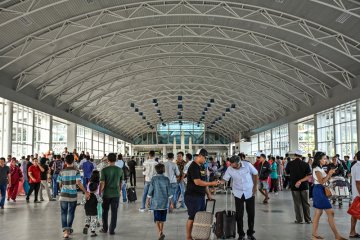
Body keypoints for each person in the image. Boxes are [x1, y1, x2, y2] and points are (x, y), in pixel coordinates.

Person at [184, 148, 219, 240]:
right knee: (192, 217)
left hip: (200, 196)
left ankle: (198, 235)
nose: (206, 160)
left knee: (200, 217)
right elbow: (198, 182)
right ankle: (188, 237)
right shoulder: (193, 167)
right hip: (192, 196)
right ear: (200, 156)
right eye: (205, 158)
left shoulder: (202, 167)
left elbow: (204, 182)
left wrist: (208, 194)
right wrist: (212, 184)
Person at [312, 151, 347, 240]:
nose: (326, 160)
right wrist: (329, 174)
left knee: (318, 213)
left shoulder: (319, 168)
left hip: (320, 190)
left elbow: (324, 179)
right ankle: (337, 236)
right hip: (319, 190)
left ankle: (314, 235)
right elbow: (321, 181)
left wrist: (332, 175)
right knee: (330, 212)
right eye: (324, 158)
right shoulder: (316, 169)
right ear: (319, 160)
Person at [221, 155, 258, 240]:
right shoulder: (230, 168)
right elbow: (225, 179)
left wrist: (255, 187)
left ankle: (250, 233)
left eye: (235, 166)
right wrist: (219, 182)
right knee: (239, 215)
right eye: (232, 165)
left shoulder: (247, 165)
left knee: (251, 214)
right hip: (238, 193)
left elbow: (255, 173)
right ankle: (241, 234)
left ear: (239, 163)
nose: (234, 167)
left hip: (249, 192)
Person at [57, 154, 89, 238]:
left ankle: (65, 231)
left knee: (63, 212)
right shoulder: (76, 171)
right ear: (73, 161)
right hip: (73, 196)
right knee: (71, 212)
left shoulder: (61, 172)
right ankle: (69, 229)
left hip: (63, 195)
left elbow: (59, 184)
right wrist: (85, 191)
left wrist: (63, 188)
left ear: (65, 161)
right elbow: (78, 183)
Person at [146, 163, 174, 240]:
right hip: (164, 203)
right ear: (163, 170)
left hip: (156, 203)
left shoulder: (154, 179)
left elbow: (150, 190)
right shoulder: (166, 179)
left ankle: (159, 232)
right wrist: (171, 202)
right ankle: (161, 231)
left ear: (156, 170)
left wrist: (147, 200)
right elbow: (170, 192)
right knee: (162, 220)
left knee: (157, 219)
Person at [285, 150, 312, 224]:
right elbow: (309, 176)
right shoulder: (306, 164)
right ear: (301, 156)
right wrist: (301, 180)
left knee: (297, 203)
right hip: (304, 186)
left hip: (294, 186)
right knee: (306, 203)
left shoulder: (290, 164)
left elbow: (286, 173)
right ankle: (308, 219)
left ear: (295, 155)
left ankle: (299, 220)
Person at [100, 153, 123, 235]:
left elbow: (102, 183)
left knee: (105, 211)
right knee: (114, 212)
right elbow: (121, 183)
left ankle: (105, 228)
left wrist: (100, 192)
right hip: (116, 194)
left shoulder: (104, 170)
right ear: (116, 160)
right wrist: (119, 191)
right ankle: (112, 230)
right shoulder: (120, 170)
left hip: (106, 194)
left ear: (108, 160)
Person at [349, 151, 360, 238]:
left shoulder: (354, 166)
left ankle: (352, 232)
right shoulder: (359, 167)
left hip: (355, 194)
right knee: (355, 213)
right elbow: (358, 183)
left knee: (355, 214)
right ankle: (352, 232)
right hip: (358, 194)